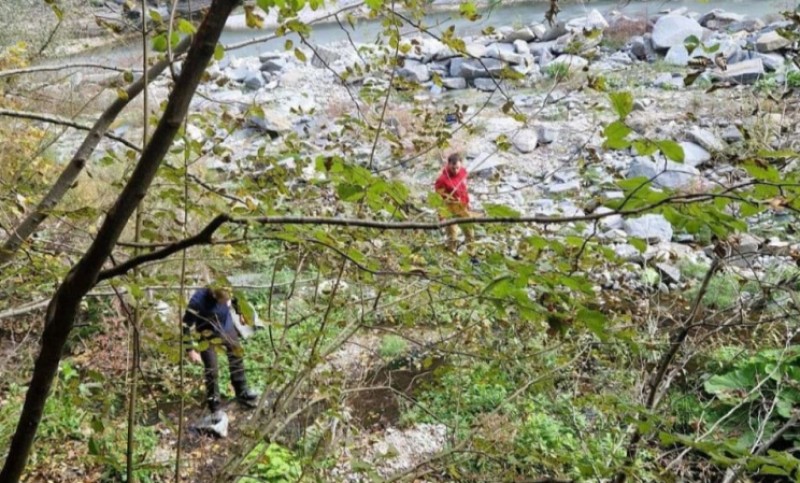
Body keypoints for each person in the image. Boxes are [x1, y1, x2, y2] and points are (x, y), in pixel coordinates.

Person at [183, 286, 259, 412]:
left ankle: (242, 391)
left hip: (226, 326)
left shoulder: (227, 287)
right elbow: (185, 326)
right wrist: (190, 350)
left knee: (237, 354)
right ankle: (215, 405)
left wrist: (241, 313)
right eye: (224, 302)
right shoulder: (197, 301)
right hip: (207, 333)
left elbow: (237, 298)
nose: (227, 303)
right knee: (212, 370)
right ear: (214, 296)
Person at [434, 152, 475, 252]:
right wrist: (441, 216)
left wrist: (468, 202)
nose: (456, 170)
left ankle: (472, 253)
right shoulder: (442, 180)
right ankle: (452, 254)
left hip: (462, 206)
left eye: (458, 168)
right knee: (452, 235)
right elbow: (438, 199)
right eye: (453, 168)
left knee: (469, 231)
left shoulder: (463, 172)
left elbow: (464, 189)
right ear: (448, 164)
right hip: (449, 208)